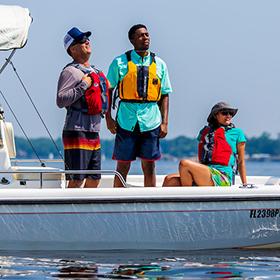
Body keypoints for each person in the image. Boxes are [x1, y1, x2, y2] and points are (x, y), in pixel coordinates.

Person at [106, 24, 172, 187]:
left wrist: (164, 123)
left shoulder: (160, 64)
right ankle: (117, 201)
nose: (145, 38)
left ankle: (150, 201)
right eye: (141, 35)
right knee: (122, 164)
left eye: (147, 35)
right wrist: (108, 118)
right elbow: (107, 89)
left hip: (151, 120)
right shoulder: (120, 62)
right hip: (126, 119)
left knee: (149, 165)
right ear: (132, 40)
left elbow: (164, 94)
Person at [57, 27, 109, 188]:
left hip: (94, 131)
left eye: (87, 39)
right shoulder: (70, 72)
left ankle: (85, 212)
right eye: (81, 40)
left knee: (95, 179)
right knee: (77, 179)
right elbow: (60, 100)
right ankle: (67, 212)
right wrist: (83, 86)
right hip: (76, 130)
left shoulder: (95, 71)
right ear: (72, 49)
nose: (87, 41)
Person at [163, 101, 247, 187]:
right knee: (169, 180)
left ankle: (189, 199)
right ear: (215, 115)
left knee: (184, 164)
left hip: (222, 176)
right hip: (206, 172)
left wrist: (245, 184)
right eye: (224, 113)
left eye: (231, 113)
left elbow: (241, 161)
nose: (228, 115)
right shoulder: (205, 132)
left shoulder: (237, 132)